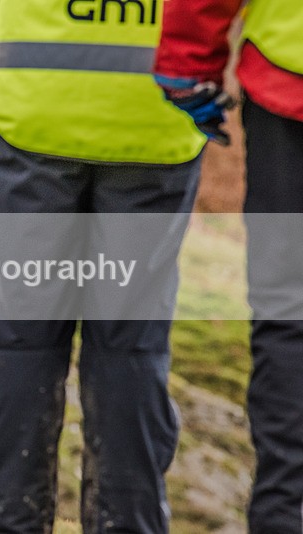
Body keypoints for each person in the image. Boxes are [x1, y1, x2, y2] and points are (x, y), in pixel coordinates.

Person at [0, 0, 208, 531]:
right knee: (130, 345)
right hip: (156, 114)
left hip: (35, 105)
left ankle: (9, 521)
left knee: (22, 339)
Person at [154, 2, 303, 532]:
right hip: (285, 90)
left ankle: (285, 518)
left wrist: (190, 64)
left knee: (288, 315)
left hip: (289, 89)